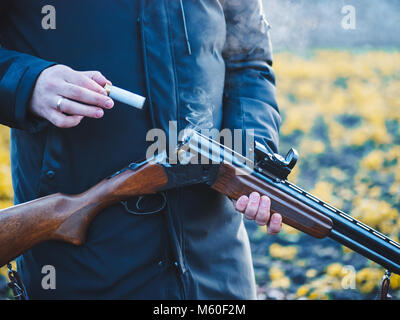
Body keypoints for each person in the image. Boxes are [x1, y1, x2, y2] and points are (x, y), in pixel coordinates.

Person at [0, 0, 282, 299]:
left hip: (217, 264)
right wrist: (28, 83)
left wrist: (249, 153)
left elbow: (249, 62)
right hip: (81, 266)